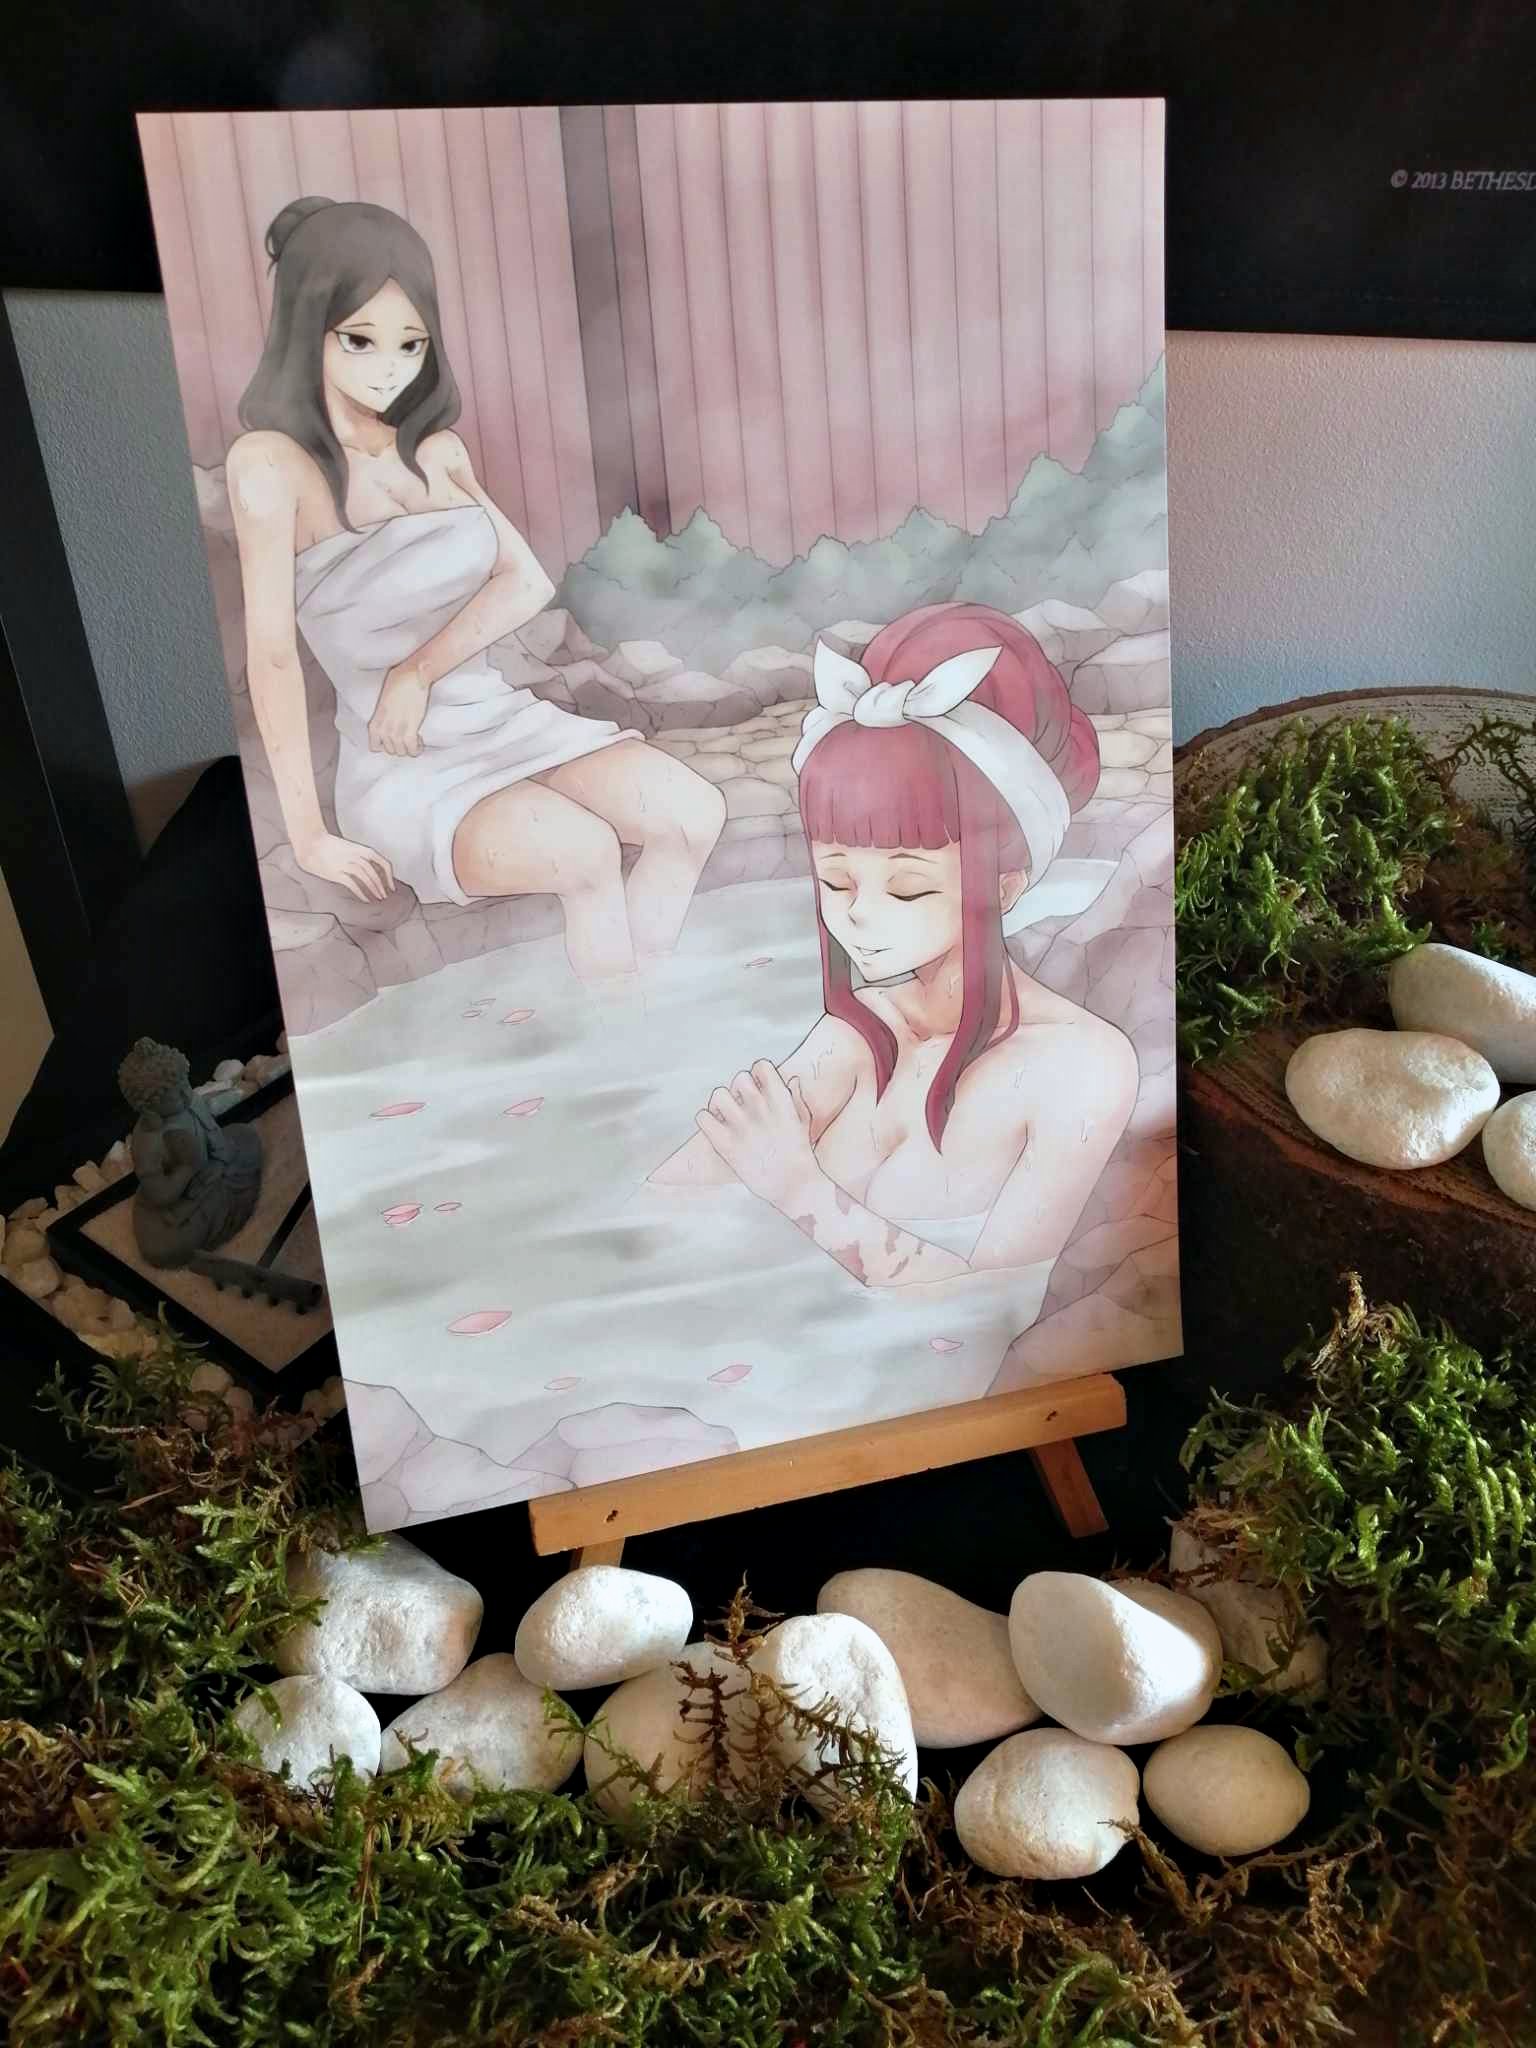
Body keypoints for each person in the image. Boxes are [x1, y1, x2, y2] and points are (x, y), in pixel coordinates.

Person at [225, 197, 724, 984]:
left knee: (694, 814)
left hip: (498, 720)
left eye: (410, 344)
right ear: (305, 328)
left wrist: (417, 671)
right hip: (404, 765)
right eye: (359, 340)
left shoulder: (437, 451)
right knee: (585, 853)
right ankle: (620, 1015)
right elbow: (273, 657)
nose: (389, 368)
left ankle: (648, 1006)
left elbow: (524, 581)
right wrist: (309, 834)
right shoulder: (269, 464)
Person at [651, 602, 1136, 1289]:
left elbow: (996, 1302)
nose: (860, 917)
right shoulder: (852, 1037)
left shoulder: (1083, 1065)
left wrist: (800, 1190)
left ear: (1004, 887)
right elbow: (662, 1208)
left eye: (907, 888)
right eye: (835, 880)